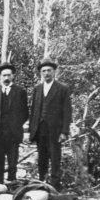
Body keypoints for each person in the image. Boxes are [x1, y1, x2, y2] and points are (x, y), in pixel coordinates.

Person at [29, 57, 72, 189]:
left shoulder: (62, 88)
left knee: (55, 158)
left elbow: (67, 112)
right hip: (40, 129)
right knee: (42, 157)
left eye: (49, 70)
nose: (46, 73)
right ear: (40, 73)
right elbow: (34, 110)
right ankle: (42, 182)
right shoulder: (37, 88)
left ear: (54, 72)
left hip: (55, 130)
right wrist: (32, 129)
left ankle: (54, 186)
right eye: (43, 71)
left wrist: (64, 132)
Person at [0, 63, 29, 184]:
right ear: (0, 76)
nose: (6, 78)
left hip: (13, 133)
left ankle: (12, 183)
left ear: (13, 76)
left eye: (8, 75)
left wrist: (15, 124)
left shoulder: (20, 92)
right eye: (4, 75)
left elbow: (25, 113)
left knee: (12, 162)